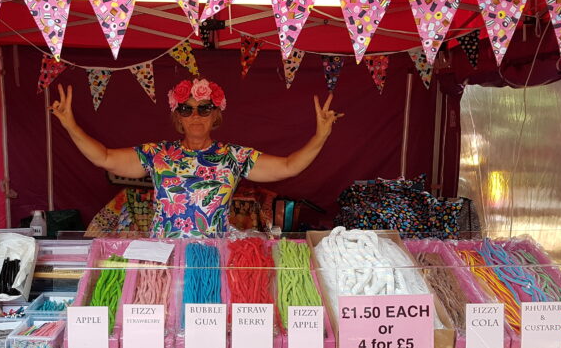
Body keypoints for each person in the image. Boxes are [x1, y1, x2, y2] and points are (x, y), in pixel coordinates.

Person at [50, 77, 342, 237]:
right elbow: (104, 157)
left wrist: (321, 135)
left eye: (204, 108)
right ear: (178, 116)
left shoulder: (233, 156)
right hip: (165, 255)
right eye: (186, 109)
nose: (195, 115)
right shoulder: (158, 154)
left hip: (213, 256)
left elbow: (289, 166)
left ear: (215, 115)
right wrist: (70, 124)